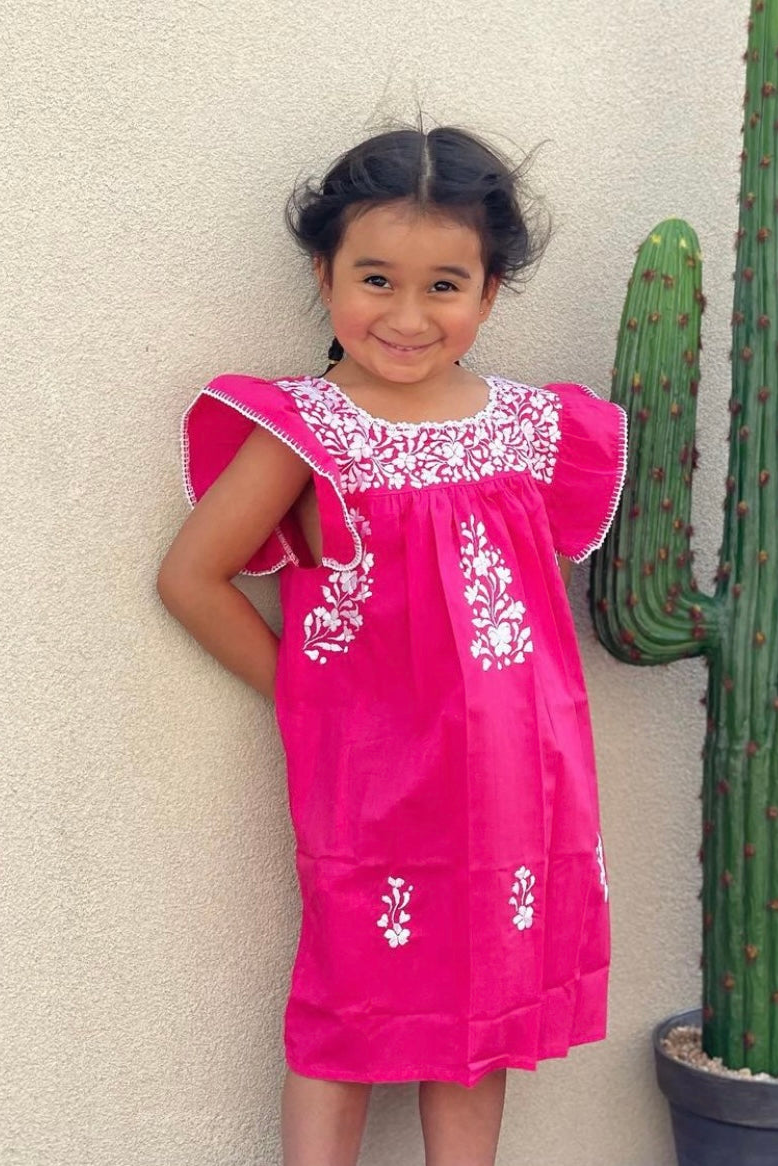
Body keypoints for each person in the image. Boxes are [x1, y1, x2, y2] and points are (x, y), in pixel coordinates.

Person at [156, 125, 627, 1166]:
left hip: (517, 781)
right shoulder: (309, 429)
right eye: (375, 278)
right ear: (324, 274)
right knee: (347, 1001)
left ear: (490, 291)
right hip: (371, 785)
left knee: (481, 1019)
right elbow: (192, 576)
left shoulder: (532, 428)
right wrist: (306, 690)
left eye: (444, 285)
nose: (407, 316)